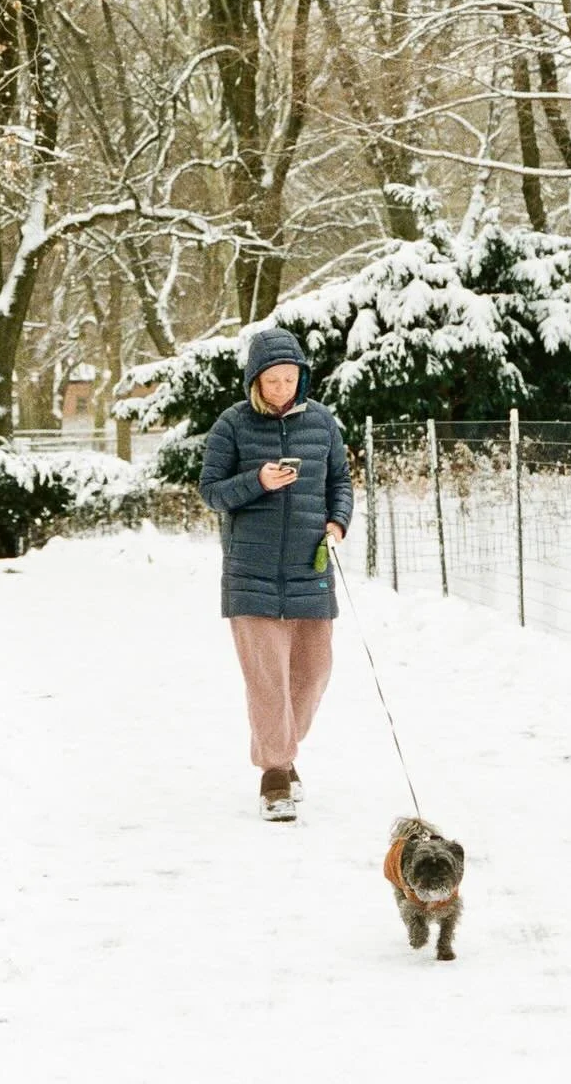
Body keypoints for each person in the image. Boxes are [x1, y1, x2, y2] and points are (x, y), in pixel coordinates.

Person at [199, 328, 353, 822]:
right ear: (256, 380)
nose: (284, 387)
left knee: (311, 677)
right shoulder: (232, 425)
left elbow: (339, 481)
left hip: (311, 569)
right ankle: (274, 773)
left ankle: (283, 750)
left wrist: (337, 521)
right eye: (274, 379)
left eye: (292, 378)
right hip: (251, 572)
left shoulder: (323, 422)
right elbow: (211, 491)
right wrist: (257, 481)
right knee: (267, 682)